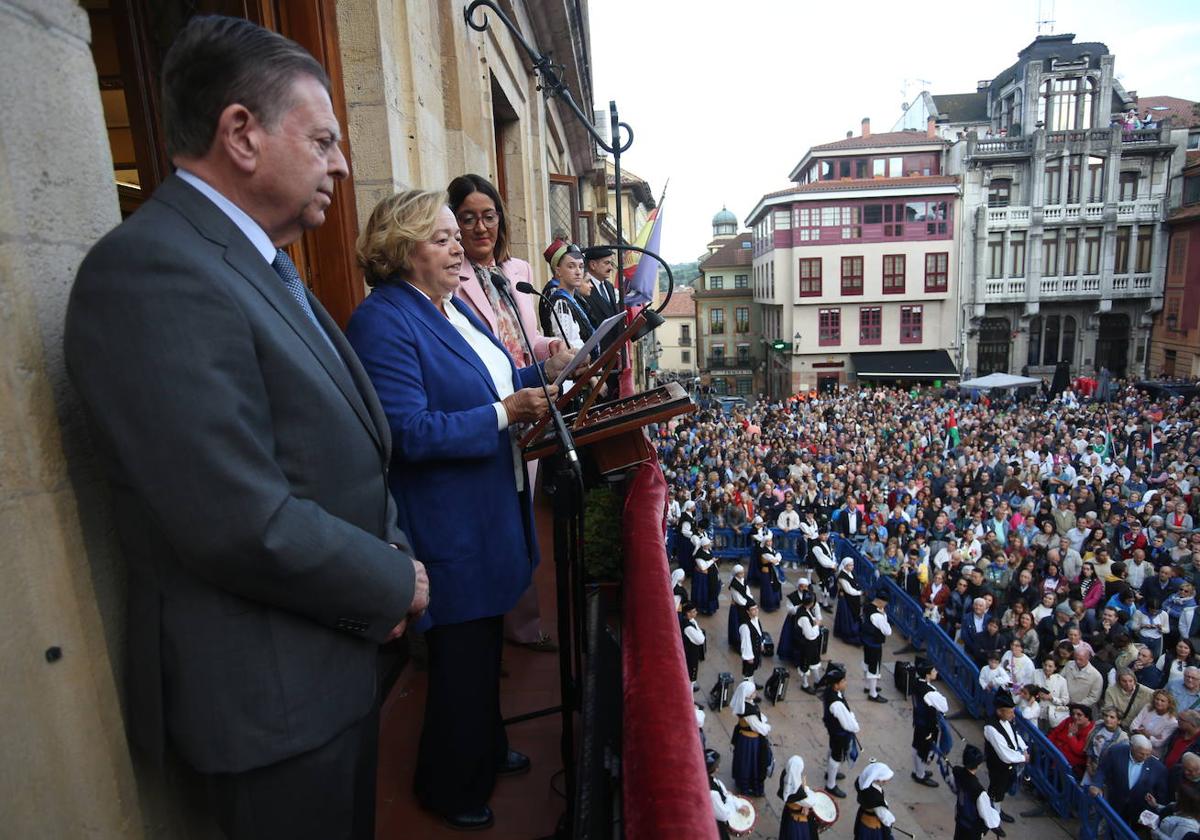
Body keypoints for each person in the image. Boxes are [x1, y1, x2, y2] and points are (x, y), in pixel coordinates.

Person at [63, 17, 427, 839]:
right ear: (242, 134)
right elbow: (236, 518)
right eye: (326, 138)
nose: (344, 161)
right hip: (269, 711)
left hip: (325, 673)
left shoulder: (254, 260)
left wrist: (393, 553)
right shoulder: (152, 272)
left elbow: (346, 453)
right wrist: (392, 581)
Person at [346, 189, 573, 830]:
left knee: (479, 658)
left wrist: (542, 369)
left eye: (456, 236)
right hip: (450, 523)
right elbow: (409, 433)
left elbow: (494, 379)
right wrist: (507, 414)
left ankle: (486, 747)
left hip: (489, 510)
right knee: (460, 665)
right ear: (402, 249)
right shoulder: (384, 319)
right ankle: (448, 785)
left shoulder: (448, 308)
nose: (457, 247)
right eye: (442, 237)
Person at [448, 173, 564, 653]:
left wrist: (553, 347)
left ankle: (521, 621)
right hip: (488, 404)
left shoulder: (515, 269)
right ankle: (491, 624)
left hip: (529, 402)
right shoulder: (449, 275)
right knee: (495, 515)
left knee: (523, 512)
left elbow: (524, 337)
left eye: (489, 216)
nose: (481, 228)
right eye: (469, 218)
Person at [1089, 734, 1168, 827]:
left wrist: (1156, 809)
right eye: (1141, 753)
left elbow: (1161, 794)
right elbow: (1102, 770)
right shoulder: (1116, 751)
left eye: (1148, 754)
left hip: (1137, 812)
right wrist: (1096, 784)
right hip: (1114, 802)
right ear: (1131, 747)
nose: (1145, 757)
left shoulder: (1158, 768)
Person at [983, 690, 1029, 824]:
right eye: (1010, 712)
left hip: (1007, 765)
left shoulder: (1007, 720)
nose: (1013, 715)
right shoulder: (991, 728)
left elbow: (1014, 736)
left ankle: (996, 810)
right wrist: (1022, 758)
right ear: (999, 712)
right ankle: (993, 816)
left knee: (1003, 788)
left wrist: (1024, 748)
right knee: (997, 789)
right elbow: (1004, 754)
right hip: (998, 765)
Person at [539, 239, 593, 351]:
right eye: (571, 266)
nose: (578, 272)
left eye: (581, 266)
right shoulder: (559, 300)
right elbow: (566, 343)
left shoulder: (569, 297)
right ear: (558, 271)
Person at [818, 664, 860, 799]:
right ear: (836, 685)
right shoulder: (836, 703)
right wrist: (855, 727)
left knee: (832, 749)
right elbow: (847, 723)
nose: (845, 683)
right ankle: (830, 785)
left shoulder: (832, 693)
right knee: (836, 756)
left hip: (833, 730)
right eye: (843, 681)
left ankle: (829, 773)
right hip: (839, 732)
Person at [731, 679, 774, 797]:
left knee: (745, 762)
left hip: (744, 738)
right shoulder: (747, 711)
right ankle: (748, 787)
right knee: (751, 764)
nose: (755, 693)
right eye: (753, 691)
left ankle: (744, 784)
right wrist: (767, 727)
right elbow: (759, 727)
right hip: (750, 741)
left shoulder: (745, 704)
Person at [952, 744, 1005, 840]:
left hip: (960, 820)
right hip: (972, 828)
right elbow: (987, 815)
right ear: (978, 765)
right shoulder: (979, 791)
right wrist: (995, 819)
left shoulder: (957, 772)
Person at [911, 661, 949, 787]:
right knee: (923, 750)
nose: (936, 672)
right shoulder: (929, 692)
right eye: (933, 671)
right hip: (927, 724)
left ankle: (918, 772)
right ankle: (920, 775)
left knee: (917, 746)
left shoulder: (917, 683)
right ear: (927, 675)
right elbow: (944, 707)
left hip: (919, 721)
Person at [707, 747, 750, 840]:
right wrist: (731, 799)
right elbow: (724, 815)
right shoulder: (712, 793)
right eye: (716, 766)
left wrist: (737, 803)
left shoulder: (711, 780)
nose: (718, 768)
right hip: (712, 825)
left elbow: (724, 793)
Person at [1082, 706, 1129, 784]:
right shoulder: (1098, 725)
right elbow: (1090, 746)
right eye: (1106, 716)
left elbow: (1119, 762)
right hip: (1091, 765)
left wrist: (1099, 773)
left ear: (1119, 721)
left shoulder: (1123, 737)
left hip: (1105, 772)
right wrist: (1088, 765)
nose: (1107, 719)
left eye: (1112, 717)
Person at [777, 755, 820, 840]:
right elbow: (812, 801)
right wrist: (806, 788)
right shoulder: (797, 791)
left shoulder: (785, 775)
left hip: (788, 814)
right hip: (798, 821)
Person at [861, 590, 892, 703]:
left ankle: (868, 686)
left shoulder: (867, 606)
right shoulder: (878, 615)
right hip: (874, 643)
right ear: (881, 602)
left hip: (866, 640)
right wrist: (884, 615)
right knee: (874, 668)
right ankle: (872, 693)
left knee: (867, 663)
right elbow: (887, 631)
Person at [1048, 704, 1095, 778]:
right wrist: (1048, 746)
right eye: (1073, 714)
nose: (1075, 717)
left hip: (1070, 764)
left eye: (1079, 715)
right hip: (1055, 752)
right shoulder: (1069, 720)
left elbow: (1079, 751)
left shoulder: (1090, 731)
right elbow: (1055, 733)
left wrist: (1071, 735)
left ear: (1087, 717)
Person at [852, 762, 897, 840]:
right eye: (885, 780)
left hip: (863, 814)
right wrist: (891, 820)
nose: (886, 782)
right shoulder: (874, 797)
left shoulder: (864, 783)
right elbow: (883, 815)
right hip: (871, 824)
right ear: (879, 780)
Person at [1131, 690, 1180, 756]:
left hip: (1151, 752)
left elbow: (1158, 743)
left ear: (1169, 704)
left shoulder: (1172, 722)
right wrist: (1151, 737)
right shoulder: (1147, 707)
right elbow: (1133, 726)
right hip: (1135, 743)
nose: (1159, 702)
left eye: (1162, 701)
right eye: (1157, 699)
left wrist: (1144, 733)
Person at [796, 590, 825, 694]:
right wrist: (817, 625)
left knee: (814, 661)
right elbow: (809, 635)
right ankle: (805, 684)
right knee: (805, 664)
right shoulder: (803, 616)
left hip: (811, 644)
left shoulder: (805, 609)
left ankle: (817, 681)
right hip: (806, 644)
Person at [834, 558, 864, 645]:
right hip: (846, 600)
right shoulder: (842, 577)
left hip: (854, 598)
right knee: (847, 617)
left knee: (855, 614)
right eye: (850, 565)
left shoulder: (851, 572)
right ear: (846, 566)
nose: (852, 566)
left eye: (852, 565)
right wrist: (860, 592)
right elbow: (848, 590)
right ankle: (848, 634)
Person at [681, 601, 707, 691]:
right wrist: (700, 633)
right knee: (691, 673)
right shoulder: (688, 627)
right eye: (694, 611)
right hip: (691, 653)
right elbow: (701, 640)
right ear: (688, 613)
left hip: (691, 652)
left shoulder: (691, 621)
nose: (696, 613)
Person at [693, 535, 722, 616]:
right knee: (705, 593)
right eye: (709, 544)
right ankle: (705, 609)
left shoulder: (709, 551)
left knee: (713, 591)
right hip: (704, 578)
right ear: (704, 545)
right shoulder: (699, 555)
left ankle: (712, 608)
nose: (710, 545)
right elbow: (703, 567)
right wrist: (712, 561)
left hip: (712, 575)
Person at [759, 532, 785, 612]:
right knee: (768, 588)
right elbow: (772, 560)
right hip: (767, 572)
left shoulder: (773, 550)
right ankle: (768, 605)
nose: (769, 543)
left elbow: (778, 557)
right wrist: (775, 559)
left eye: (770, 541)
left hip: (774, 571)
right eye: (768, 541)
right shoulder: (764, 551)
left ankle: (775, 603)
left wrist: (776, 559)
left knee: (775, 586)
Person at [740, 602, 767, 679]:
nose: (756, 611)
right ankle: (748, 686)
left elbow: (759, 632)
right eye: (753, 609)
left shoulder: (756, 619)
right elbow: (746, 642)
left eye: (756, 608)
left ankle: (752, 683)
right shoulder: (745, 626)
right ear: (748, 611)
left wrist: (761, 643)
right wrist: (749, 657)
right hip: (750, 651)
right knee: (748, 671)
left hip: (756, 649)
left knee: (753, 669)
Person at [729, 565, 751, 649]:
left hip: (744, 605)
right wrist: (748, 603)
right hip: (738, 608)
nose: (743, 574)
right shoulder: (734, 585)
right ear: (736, 574)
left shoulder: (743, 581)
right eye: (741, 573)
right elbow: (738, 599)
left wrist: (750, 600)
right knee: (737, 625)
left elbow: (748, 592)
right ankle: (737, 643)